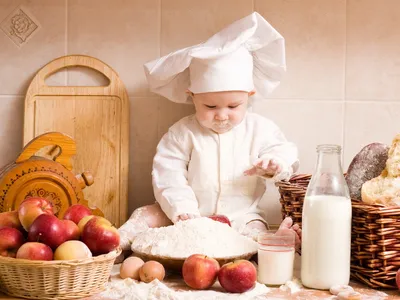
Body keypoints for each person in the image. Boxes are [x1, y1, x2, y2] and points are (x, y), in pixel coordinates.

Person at [118, 12, 301, 253]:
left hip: (241, 217)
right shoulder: (182, 132)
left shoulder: (260, 129)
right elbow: (167, 173)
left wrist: (275, 164)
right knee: (145, 214)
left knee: (254, 231)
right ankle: (114, 245)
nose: (222, 115)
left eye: (234, 106)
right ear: (192, 97)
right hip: (187, 216)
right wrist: (182, 209)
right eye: (210, 106)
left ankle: (275, 241)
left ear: (249, 97)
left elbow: (285, 151)